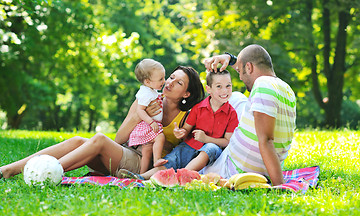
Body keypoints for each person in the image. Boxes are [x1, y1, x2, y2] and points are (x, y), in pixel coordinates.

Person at [0, 66, 205, 180]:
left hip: (144, 164)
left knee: (98, 139)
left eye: (178, 82)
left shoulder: (188, 117)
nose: (169, 82)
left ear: (187, 93)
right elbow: (120, 138)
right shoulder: (146, 98)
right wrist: (138, 115)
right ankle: (9, 169)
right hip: (124, 153)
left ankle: (45, 173)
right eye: (170, 77)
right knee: (79, 140)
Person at [202, 44, 296, 186]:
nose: (239, 77)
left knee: (232, 98)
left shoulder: (262, 85)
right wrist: (230, 59)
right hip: (259, 166)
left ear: (249, 67)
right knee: (237, 97)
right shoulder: (285, 88)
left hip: (232, 169)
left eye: (240, 71)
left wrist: (279, 186)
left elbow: (266, 140)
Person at [138, 69, 239, 180]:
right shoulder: (198, 108)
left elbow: (227, 141)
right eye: (219, 86)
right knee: (172, 159)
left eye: (228, 86)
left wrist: (206, 138)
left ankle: (180, 177)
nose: (224, 91)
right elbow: (186, 129)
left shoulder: (232, 114)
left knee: (210, 148)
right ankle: (140, 177)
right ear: (208, 89)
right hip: (190, 145)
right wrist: (181, 132)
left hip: (211, 150)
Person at [128, 59, 166, 173]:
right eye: (160, 79)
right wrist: (151, 122)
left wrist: (160, 96)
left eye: (164, 77)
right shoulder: (146, 94)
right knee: (160, 137)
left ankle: (141, 175)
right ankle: (157, 159)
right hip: (147, 125)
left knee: (146, 152)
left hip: (148, 125)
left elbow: (153, 97)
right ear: (148, 82)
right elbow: (140, 111)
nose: (164, 81)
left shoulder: (150, 90)